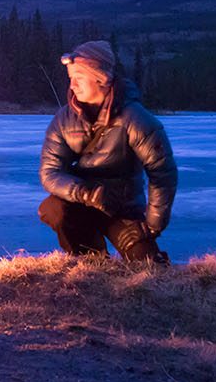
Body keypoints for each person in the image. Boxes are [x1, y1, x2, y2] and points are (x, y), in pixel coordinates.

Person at [38, 40, 176, 263]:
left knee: (148, 268)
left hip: (123, 209)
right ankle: (93, 264)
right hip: (82, 204)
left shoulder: (136, 120)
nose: (72, 85)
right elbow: (49, 172)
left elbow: (163, 173)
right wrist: (84, 192)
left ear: (100, 79)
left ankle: (148, 255)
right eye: (71, 78)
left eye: (79, 78)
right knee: (54, 208)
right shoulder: (64, 119)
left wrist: (151, 227)